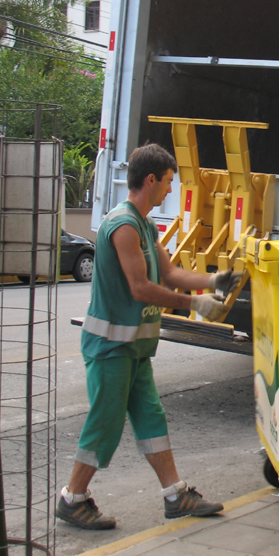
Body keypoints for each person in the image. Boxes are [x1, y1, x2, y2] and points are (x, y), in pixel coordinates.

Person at [57, 143, 241, 530]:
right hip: (111, 347)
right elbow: (141, 287)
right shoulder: (122, 226)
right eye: (169, 182)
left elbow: (170, 273)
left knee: (151, 417)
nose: (171, 191)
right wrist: (196, 305)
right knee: (105, 422)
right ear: (151, 179)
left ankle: (175, 495)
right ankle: (72, 498)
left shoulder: (145, 225)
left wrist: (213, 280)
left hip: (134, 347)